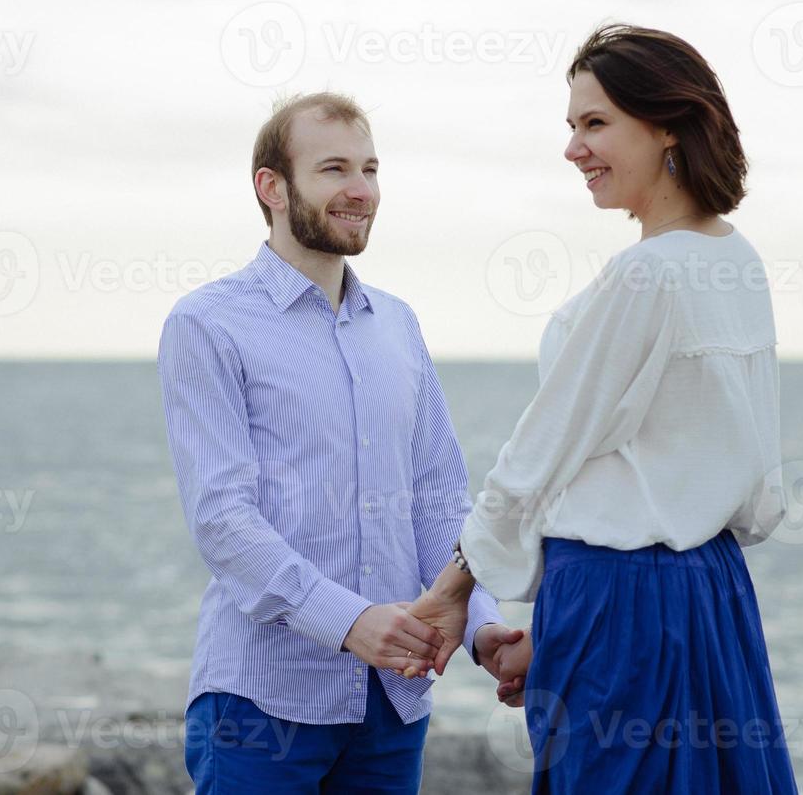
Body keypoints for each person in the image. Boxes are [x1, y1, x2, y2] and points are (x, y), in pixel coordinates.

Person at [405, 25, 800, 793]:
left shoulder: (645, 276)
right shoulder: (737, 263)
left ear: (667, 128)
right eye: (572, 126)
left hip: (619, 601)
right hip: (711, 597)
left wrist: (453, 588)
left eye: (596, 124)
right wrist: (553, 633)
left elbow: (542, 450)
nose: (573, 148)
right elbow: (754, 490)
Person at [157, 91, 527, 794]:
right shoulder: (207, 324)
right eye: (333, 169)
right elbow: (222, 519)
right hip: (262, 706)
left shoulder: (398, 325)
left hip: (392, 705)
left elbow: (440, 503)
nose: (361, 191)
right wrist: (350, 622)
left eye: (371, 168)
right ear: (272, 186)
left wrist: (482, 627)